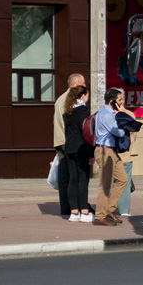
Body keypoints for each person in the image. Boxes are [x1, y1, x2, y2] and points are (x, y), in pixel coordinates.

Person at [93, 88, 128, 226]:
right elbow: (119, 132)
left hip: (112, 151)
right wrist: (123, 117)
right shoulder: (107, 114)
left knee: (122, 179)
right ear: (112, 101)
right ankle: (100, 216)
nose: (122, 102)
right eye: (120, 100)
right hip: (104, 150)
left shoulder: (110, 113)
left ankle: (109, 209)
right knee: (105, 184)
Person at [52, 72, 85, 218]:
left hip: (60, 141)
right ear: (77, 84)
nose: (85, 87)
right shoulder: (70, 99)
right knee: (76, 176)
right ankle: (76, 206)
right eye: (83, 84)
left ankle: (66, 207)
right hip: (70, 142)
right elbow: (72, 124)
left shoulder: (60, 98)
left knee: (65, 177)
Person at [61, 86, 93, 222]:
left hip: (69, 148)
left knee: (73, 179)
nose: (88, 98)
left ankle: (74, 212)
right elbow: (87, 132)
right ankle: (84, 212)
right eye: (87, 95)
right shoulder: (83, 111)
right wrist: (91, 152)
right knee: (83, 180)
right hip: (81, 149)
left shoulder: (68, 111)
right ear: (83, 96)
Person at [113, 92, 143, 217]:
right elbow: (134, 134)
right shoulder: (129, 115)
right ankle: (124, 210)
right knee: (124, 182)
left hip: (114, 153)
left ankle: (111, 209)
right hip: (125, 153)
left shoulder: (108, 114)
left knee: (113, 182)